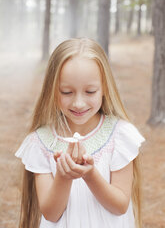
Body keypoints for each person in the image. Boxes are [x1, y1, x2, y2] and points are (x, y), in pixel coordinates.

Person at [15, 38, 145, 228]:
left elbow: (120, 205)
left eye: (90, 91)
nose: (78, 103)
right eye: (67, 92)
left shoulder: (119, 136)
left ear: (104, 88)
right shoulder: (42, 143)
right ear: (52, 90)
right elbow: (51, 213)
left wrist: (90, 175)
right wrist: (63, 177)